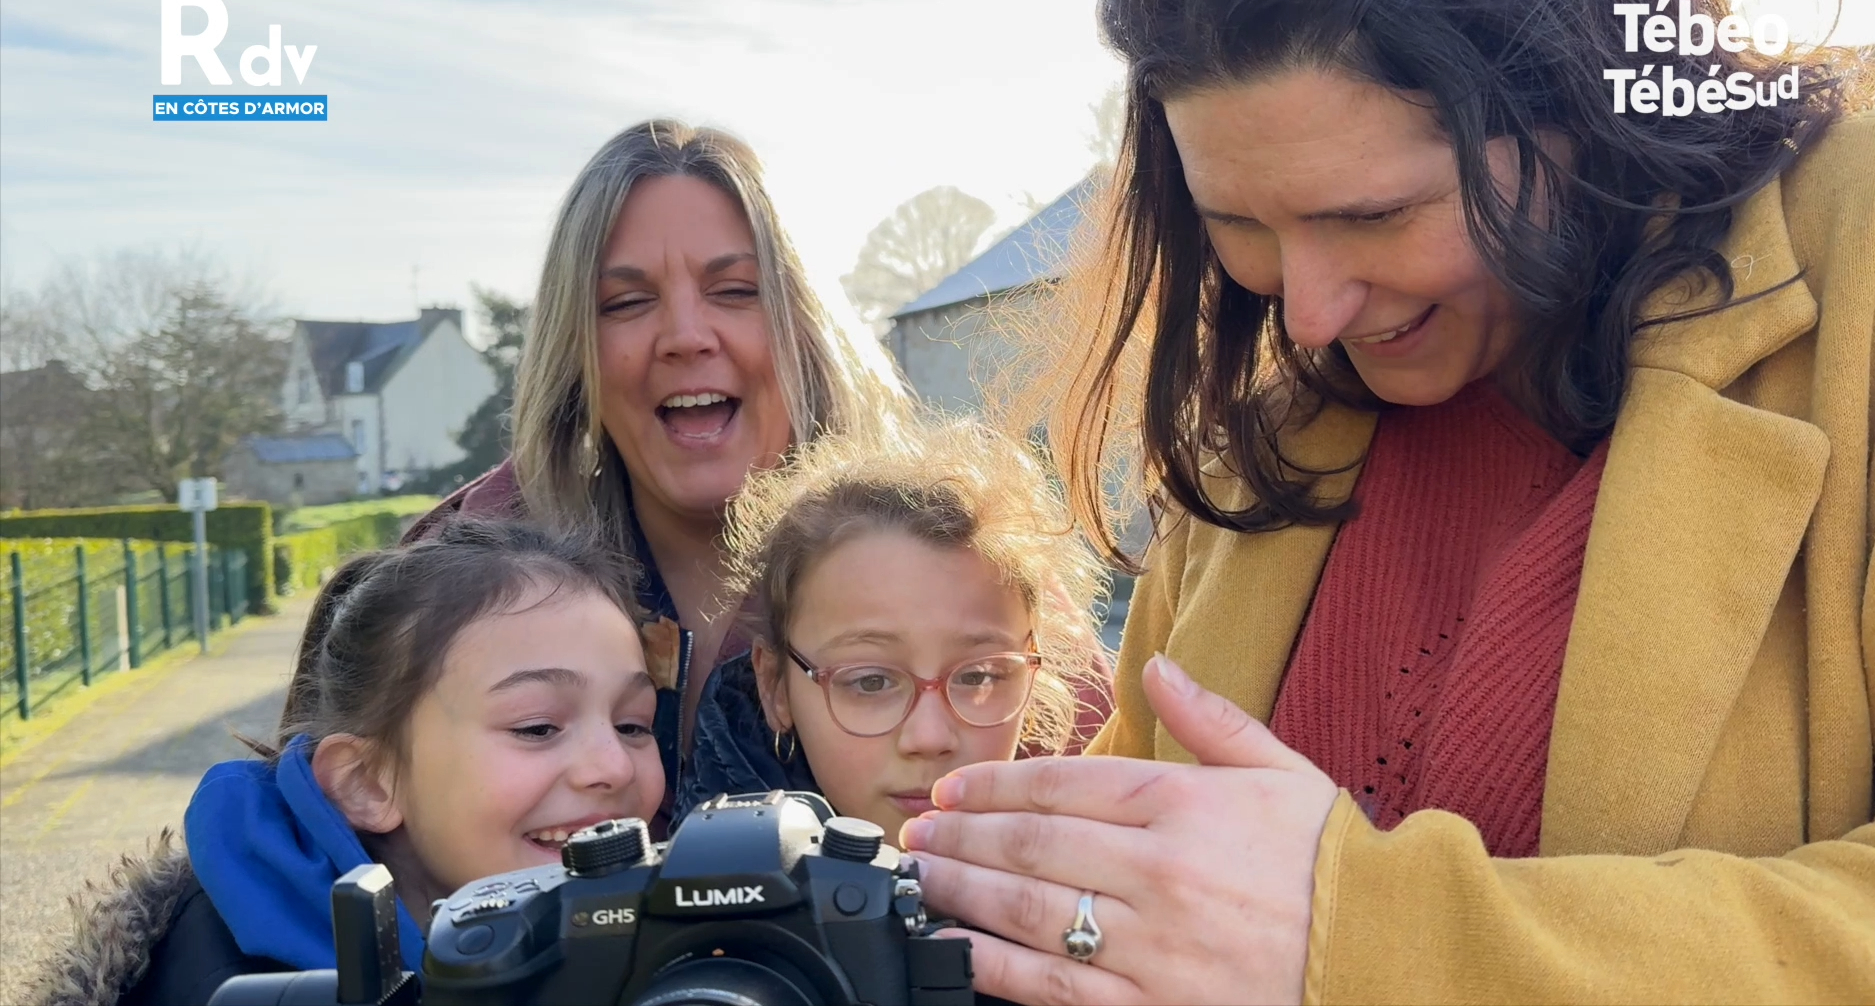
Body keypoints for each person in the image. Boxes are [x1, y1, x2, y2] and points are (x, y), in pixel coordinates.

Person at [899, 0, 1875, 1003]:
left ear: (1583, 99)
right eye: (1237, 222)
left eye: (1375, 215)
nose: (1309, 309)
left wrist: (1365, 940)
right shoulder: (1269, 442)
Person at [404, 119, 917, 821]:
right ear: (575, 351)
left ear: (806, 324)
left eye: (735, 291)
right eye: (627, 303)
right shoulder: (445, 582)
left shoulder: (965, 568)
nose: (684, 337)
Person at [25, 520, 664, 1006]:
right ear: (367, 783)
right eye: (537, 727)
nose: (612, 765)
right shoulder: (227, 981)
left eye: (634, 724)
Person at [678, 417, 1108, 839]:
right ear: (774, 686)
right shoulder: (699, 893)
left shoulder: (1102, 879)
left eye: (978, 676)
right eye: (870, 682)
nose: (929, 738)